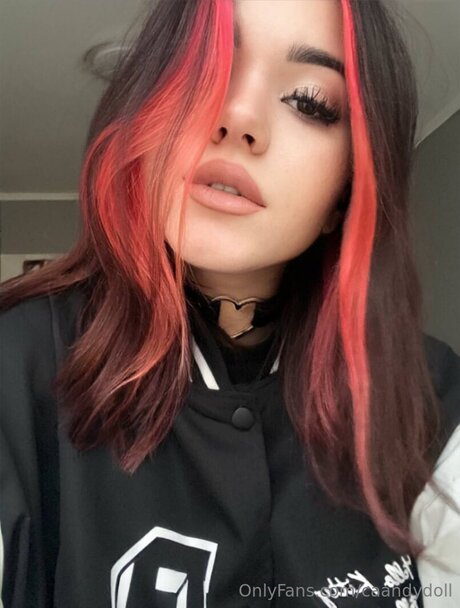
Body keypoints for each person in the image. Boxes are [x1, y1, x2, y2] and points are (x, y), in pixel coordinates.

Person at [0, 0, 459, 606]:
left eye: (310, 102)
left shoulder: (432, 394)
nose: (238, 117)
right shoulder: (17, 358)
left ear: (345, 194)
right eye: (205, 69)